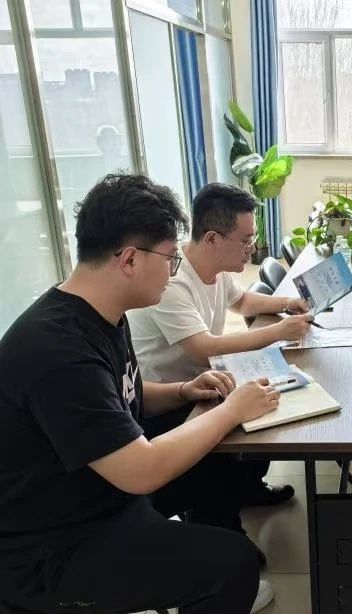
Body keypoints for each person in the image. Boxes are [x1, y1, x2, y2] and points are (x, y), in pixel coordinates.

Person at [0, 174, 280, 613]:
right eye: (170, 259)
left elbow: (119, 396)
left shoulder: (104, 312)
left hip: (99, 491)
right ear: (130, 259)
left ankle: (187, 562)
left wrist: (184, 390)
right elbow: (140, 472)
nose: (174, 271)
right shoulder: (57, 350)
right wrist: (230, 411)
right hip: (54, 546)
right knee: (234, 566)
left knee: (224, 460)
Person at [129, 182, 312, 508]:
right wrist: (279, 331)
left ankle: (249, 487)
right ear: (213, 239)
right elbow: (205, 348)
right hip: (165, 399)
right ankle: (224, 519)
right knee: (238, 431)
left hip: (204, 380)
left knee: (268, 398)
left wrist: (286, 303)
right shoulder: (171, 280)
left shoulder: (218, 266)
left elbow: (242, 301)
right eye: (245, 241)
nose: (251, 249)